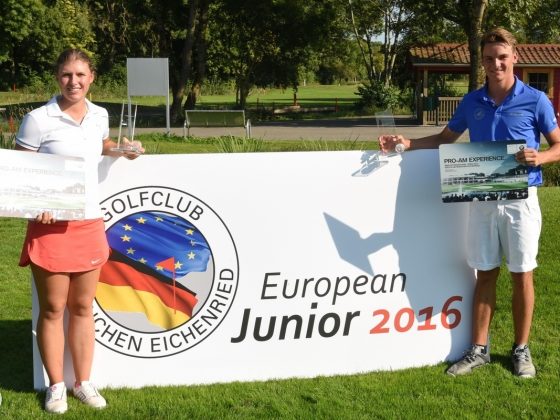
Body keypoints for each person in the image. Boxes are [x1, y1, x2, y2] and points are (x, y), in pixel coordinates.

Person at [379, 28, 560, 378]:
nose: (496, 64)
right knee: (485, 271)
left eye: (502, 57)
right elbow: (445, 139)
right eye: (490, 58)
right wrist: (405, 143)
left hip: (521, 199)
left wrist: (542, 158)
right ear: (484, 62)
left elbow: (559, 145)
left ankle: (521, 350)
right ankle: (479, 349)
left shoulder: (536, 99)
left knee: (522, 273)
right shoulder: (472, 101)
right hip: (482, 198)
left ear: (514, 59)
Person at [15, 48, 144, 414]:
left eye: (81, 75)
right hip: (50, 225)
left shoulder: (100, 114)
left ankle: (83, 382)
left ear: (92, 78)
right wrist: (34, 203)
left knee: (83, 306)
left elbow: (99, 146)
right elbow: (20, 171)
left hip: (88, 221)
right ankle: (56, 386)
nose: (74, 81)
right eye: (67, 75)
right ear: (58, 76)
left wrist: (122, 149)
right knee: (54, 307)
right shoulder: (37, 119)